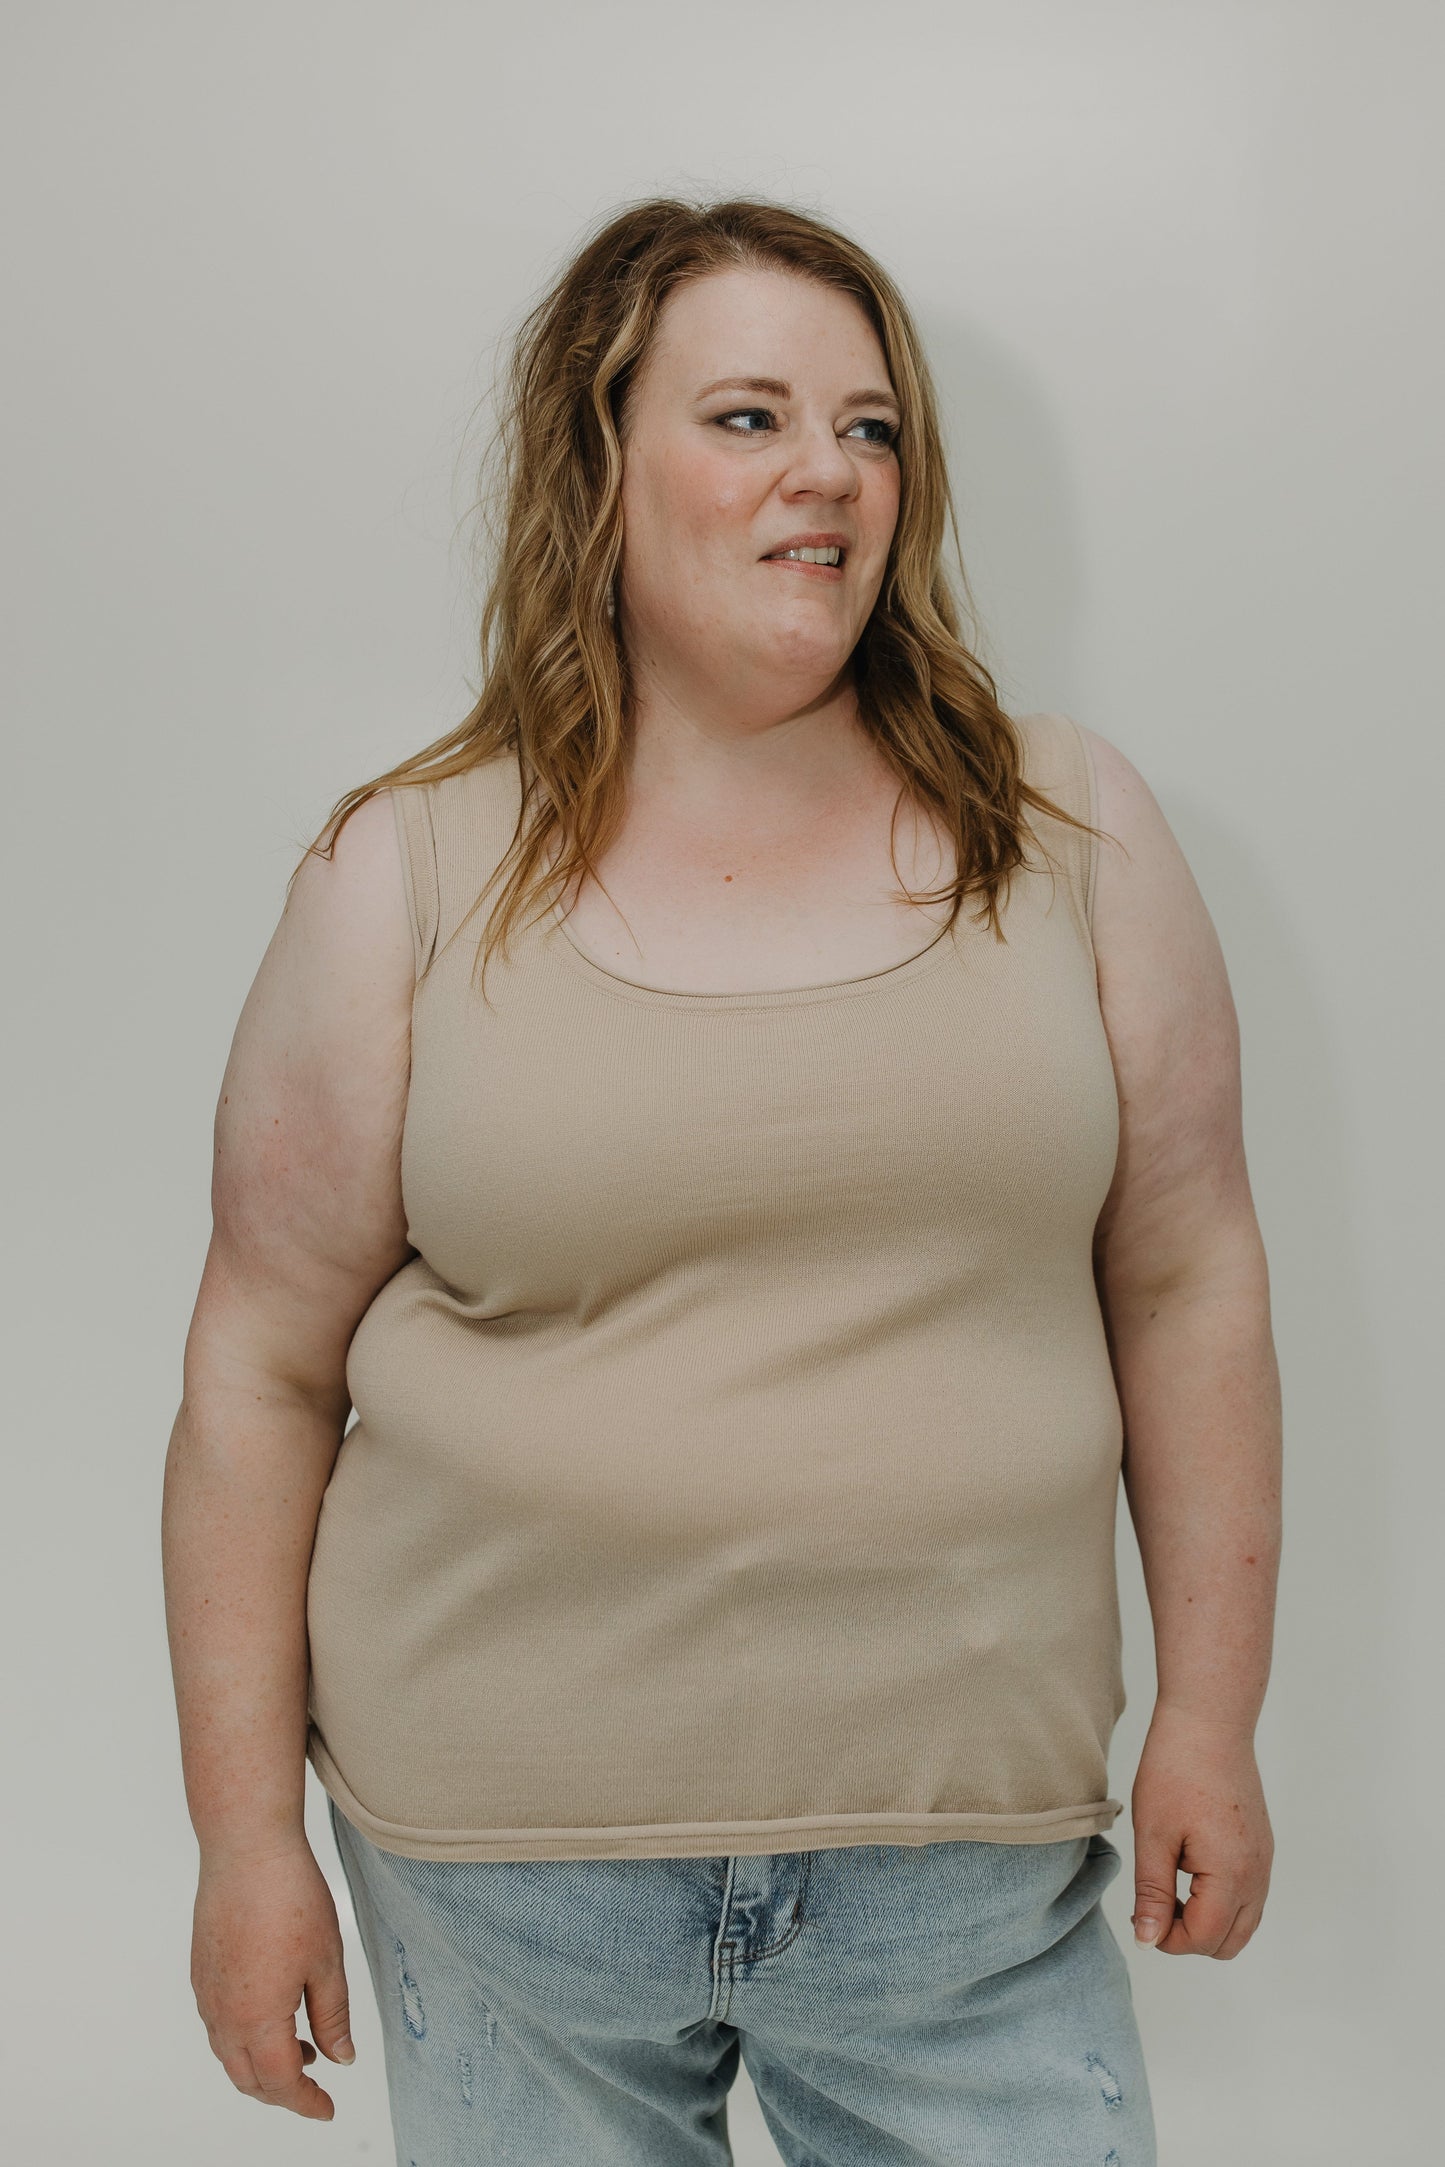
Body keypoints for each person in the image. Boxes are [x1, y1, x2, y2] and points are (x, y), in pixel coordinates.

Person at [162, 195, 1280, 2165]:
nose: (830, 476)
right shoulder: (403, 874)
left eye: (869, 425)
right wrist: (244, 1841)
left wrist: (1216, 1710)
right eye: (749, 418)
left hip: (967, 1872)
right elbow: (259, 1364)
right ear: (599, 474)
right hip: (504, 1880)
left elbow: (1186, 1275)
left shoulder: (1074, 828)